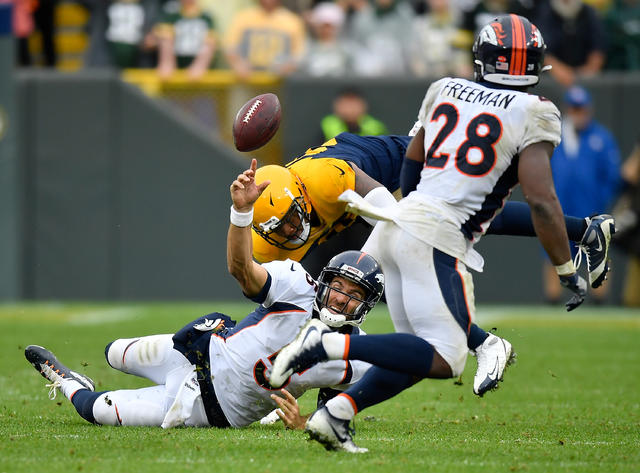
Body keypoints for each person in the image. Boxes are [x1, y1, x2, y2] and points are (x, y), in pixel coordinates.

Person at [269, 14, 598, 453]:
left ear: (482, 58)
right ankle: (327, 344)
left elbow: (413, 157)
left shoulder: (446, 88)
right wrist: (565, 266)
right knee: (447, 356)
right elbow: (541, 200)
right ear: (535, 65)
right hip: (434, 238)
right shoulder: (536, 111)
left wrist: (412, 206)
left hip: (403, 218)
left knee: (416, 351)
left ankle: (336, 414)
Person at [23, 159, 384, 430]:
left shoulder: (359, 354)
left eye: (353, 294)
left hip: (210, 408)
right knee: (115, 352)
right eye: (337, 285)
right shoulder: (296, 287)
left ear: (366, 306)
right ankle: (101, 371)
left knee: (98, 410)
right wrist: (241, 212)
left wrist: (304, 422)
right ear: (325, 281)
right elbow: (242, 270)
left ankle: (70, 383)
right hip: (199, 353)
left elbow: (337, 409)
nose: (340, 297)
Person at [542, 85, 620, 304]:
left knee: (597, 255)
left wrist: (601, 199)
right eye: (574, 109)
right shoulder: (555, 136)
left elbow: (612, 175)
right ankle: (552, 302)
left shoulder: (601, 138)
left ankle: (599, 303)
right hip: (559, 207)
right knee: (553, 253)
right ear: (568, 109)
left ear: (589, 109)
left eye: (582, 109)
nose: (578, 114)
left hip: (591, 208)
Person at [224, 0, 306, 79]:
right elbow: (230, 46)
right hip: (247, 81)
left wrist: (289, 66)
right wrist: (238, 63)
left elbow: (300, 54)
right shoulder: (243, 17)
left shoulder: (292, 21)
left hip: (280, 83)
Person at [533, 0, 607, 86]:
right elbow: (540, 47)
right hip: (551, 81)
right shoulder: (543, 12)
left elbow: (599, 46)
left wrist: (589, 70)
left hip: (584, 79)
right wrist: (559, 71)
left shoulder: (588, 12)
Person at [154, 0, 217, 80]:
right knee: (165, 39)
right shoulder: (172, 13)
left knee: (209, 44)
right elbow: (165, 39)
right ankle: (168, 66)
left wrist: (200, 65)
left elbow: (210, 43)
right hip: (177, 59)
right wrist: (167, 62)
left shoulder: (206, 16)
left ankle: (198, 67)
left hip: (197, 58)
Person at [320, 88, 388, 142]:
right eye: (345, 104)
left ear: (364, 106)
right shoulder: (327, 126)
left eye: (354, 104)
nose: (350, 109)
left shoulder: (376, 128)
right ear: (336, 106)